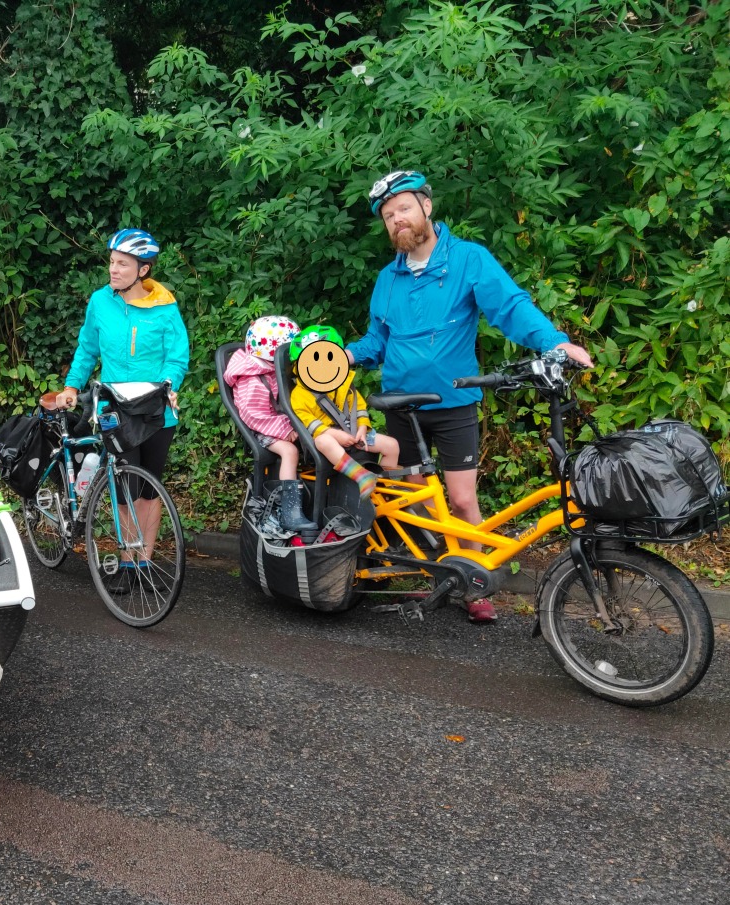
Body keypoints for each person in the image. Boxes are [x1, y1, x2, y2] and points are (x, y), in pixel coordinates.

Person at [346, 170, 594, 622]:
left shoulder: (467, 260)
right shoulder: (388, 279)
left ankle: (475, 582)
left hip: (454, 403)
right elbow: (375, 343)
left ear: (426, 206)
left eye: (402, 208)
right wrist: (335, 357)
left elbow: (510, 306)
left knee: (461, 500)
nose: (396, 220)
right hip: (399, 404)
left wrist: (554, 342)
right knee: (414, 499)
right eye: (387, 216)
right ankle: (446, 571)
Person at [54, 228, 190, 591]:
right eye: (112, 262)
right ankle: (127, 562)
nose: (113, 269)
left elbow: (177, 356)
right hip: (115, 406)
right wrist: (71, 385)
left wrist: (170, 385)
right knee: (126, 484)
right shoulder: (100, 301)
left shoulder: (164, 304)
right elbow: (87, 349)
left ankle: (144, 560)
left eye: (123, 264)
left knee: (151, 488)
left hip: (156, 408)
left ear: (142, 270)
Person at [222, 315, 314, 534]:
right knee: (290, 452)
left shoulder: (273, 371)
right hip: (265, 430)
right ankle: (289, 512)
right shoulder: (252, 380)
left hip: (285, 422)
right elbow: (254, 416)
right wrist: (285, 430)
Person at [288, 325, 400, 500]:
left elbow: (359, 407)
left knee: (392, 446)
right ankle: (361, 476)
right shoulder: (299, 395)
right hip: (328, 437)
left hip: (354, 432)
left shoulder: (343, 382)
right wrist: (335, 434)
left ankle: (384, 491)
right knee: (323, 440)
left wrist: (362, 428)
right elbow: (309, 422)